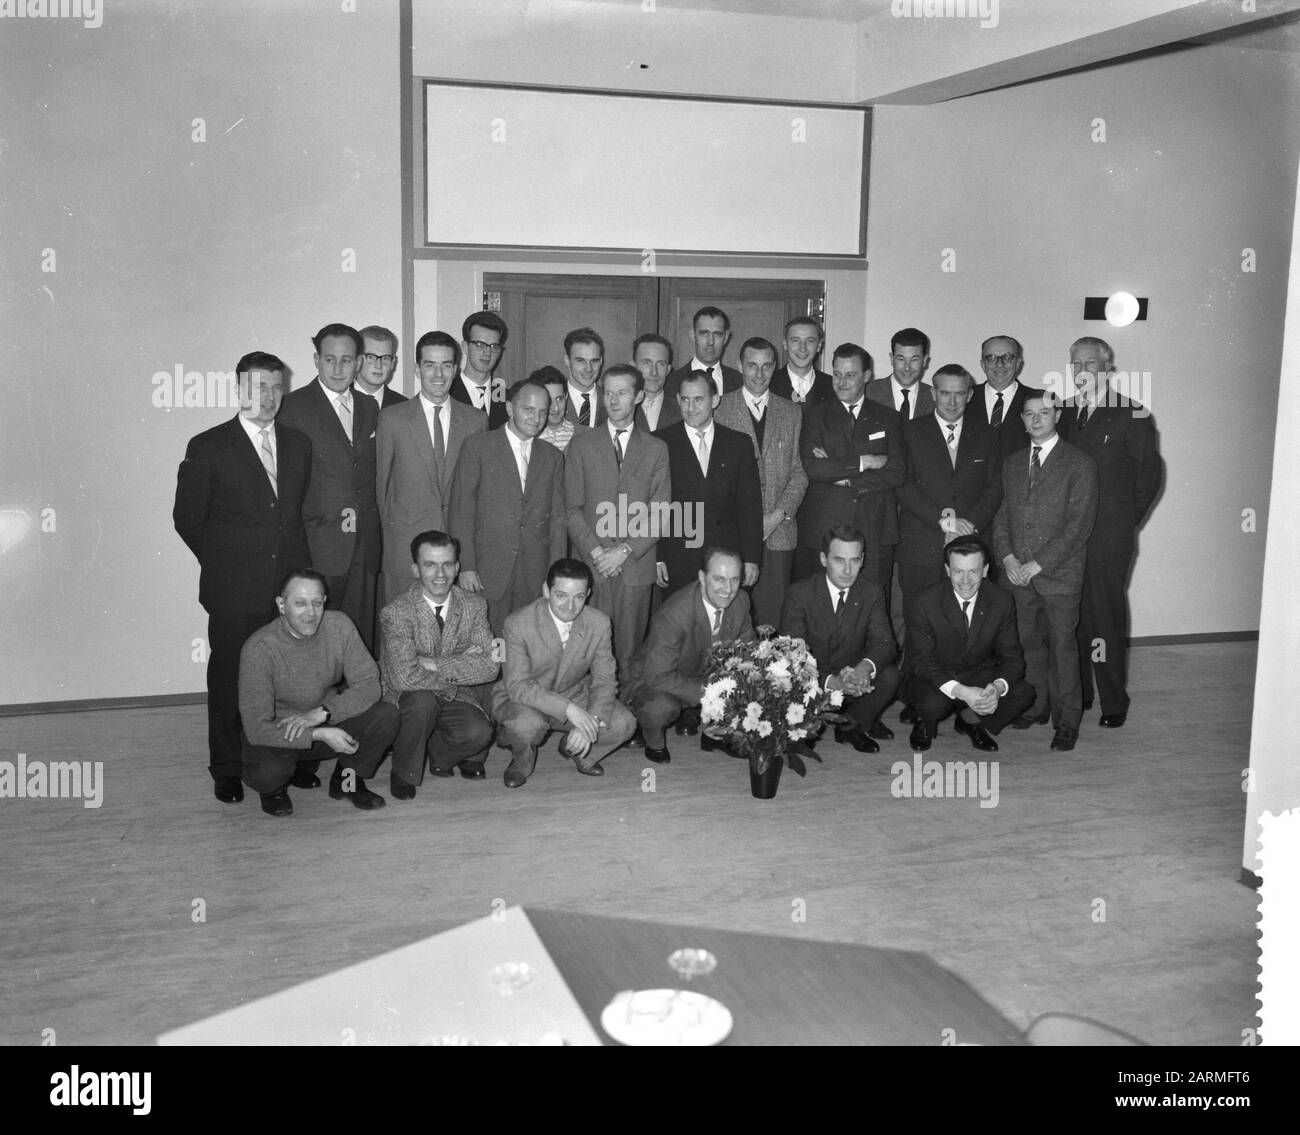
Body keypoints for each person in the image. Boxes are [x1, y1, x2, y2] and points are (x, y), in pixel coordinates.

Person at [173, 351, 312, 805]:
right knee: (232, 680)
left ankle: (278, 765)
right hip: (234, 590)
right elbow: (187, 520)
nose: (268, 397)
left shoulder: (298, 443)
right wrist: (228, 565)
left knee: (284, 683)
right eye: (258, 388)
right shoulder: (208, 445)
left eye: (276, 387)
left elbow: (291, 519)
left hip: (286, 592)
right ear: (239, 390)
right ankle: (228, 769)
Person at [1059, 336, 1162, 729]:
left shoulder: (1132, 413)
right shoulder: (1064, 412)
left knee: (1105, 615)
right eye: (1076, 364)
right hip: (1067, 535)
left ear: (1106, 368)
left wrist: (1122, 522)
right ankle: (1082, 692)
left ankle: (1114, 701)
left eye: (1090, 364)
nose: (1082, 371)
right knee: (1074, 612)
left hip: (1108, 535)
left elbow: (1149, 477)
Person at [239, 570, 399, 817]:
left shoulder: (339, 625)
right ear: (281, 605)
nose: (310, 613)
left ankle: (346, 780)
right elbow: (257, 726)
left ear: (325, 601)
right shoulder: (260, 649)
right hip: (283, 731)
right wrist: (318, 732)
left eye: (316, 602)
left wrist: (324, 713)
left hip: (326, 718)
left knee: (385, 715)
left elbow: (369, 684)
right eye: (300, 603)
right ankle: (273, 790)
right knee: (266, 773)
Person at [991, 392, 1098, 752]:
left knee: (1063, 648)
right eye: (1029, 413)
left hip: (1059, 575)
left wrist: (1038, 564)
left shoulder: (1080, 463)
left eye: (1044, 413)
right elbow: (1003, 513)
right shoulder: (1013, 462)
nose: (1036, 419)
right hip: (1017, 574)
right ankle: (1034, 705)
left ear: (1057, 416)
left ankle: (1066, 721)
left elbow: (1077, 526)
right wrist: (1007, 558)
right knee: (1026, 644)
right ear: (1021, 419)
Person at [896, 364, 1003, 720]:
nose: (953, 401)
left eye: (960, 393)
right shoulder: (911, 431)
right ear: (933, 393)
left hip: (971, 545)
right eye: (945, 393)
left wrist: (969, 524)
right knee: (919, 629)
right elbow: (904, 483)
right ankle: (917, 701)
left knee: (968, 630)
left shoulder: (987, 434)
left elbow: (994, 487)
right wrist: (941, 520)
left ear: (970, 395)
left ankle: (964, 707)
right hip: (922, 545)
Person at [277, 322, 382, 652]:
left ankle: (356, 703)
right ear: (316, 360)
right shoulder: (292, 408)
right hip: (319, 545)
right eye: (330, 359)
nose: (339, 368)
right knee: (316, 638)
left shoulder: (370, 407)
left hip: (364, 545)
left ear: (359, 362)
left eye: (347, 360)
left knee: (358, 636)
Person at [491, 559, 637, 788]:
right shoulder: (517, 623)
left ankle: (579, 752)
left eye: (578, 597)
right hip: (526, 698)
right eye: (561, 595)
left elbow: (605, 680)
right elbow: (518, 686)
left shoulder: (599, 623)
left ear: (588, 594)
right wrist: (570, 710)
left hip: (574, 692)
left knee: (624, 724)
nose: (570, 606)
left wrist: (592, 720)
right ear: (546, 591)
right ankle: (521, 762)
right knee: (525, 726)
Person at [565, 364, 671, 678]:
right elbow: (571, 509)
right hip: (592, 566)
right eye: (608, 392)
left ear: (639, 396)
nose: (613, 400)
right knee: (586, 654)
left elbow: (661, 511)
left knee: (628, 657)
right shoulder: (582, 444)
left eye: (622, 393)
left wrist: (623, 551)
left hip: (635, 567)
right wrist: (598, 554)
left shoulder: (656, 449)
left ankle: (623, 723)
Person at [379, 531, 498, 798]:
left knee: (480, 732)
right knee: (422, 702)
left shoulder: (475, 605)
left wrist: (433, 663)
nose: (440, 573)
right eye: (430, 564)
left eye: (447, 564)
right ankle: (403, 772)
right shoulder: (396, 612)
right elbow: (403, 679)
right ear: (415, 569)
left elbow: (491, 666)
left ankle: (437, 754)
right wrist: (462, 661)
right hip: (409, 698)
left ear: (457, 568)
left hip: (451, 693)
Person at [447, 378, 566, 634]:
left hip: (534, 570)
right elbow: (461, 511)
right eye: (529, 410)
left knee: (528, 638)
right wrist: (466, 566)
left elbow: (557, 520)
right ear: (510, 409)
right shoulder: (477, 446)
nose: (537, 418)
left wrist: (555, 575)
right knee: (490, 640)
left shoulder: (553, 456)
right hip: (488, 568)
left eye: (543, 412)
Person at [376, 331, 485, 605]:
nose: (438, 374)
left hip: (454, 554)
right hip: (405, 552)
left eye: (446, 365)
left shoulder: (475, 421)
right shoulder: (392, 419)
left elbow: (476, 495)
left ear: (456, 369)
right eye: (430, 365)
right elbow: (382, 489)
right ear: (416, 369)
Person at [623, 547, 756, 764]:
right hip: (656, 681)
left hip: (700, 674)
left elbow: (747, 654)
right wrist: (711, 693)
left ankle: (714, 735)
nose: (728, 589)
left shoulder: (741, 601)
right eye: (719, 579)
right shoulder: (675, 613)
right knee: (660, 708)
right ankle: (651, 738)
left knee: (752, 680)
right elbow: (657, 677)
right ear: (702, 578)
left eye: (735, 579)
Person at [904, 536, 1035, 752]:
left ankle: (970, 720)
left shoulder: (1001, 600)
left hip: (978, 674)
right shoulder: (923, 602)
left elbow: (1012, 657)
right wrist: (964, 692)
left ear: (985, 570)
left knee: (1024, 693)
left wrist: (997, 688)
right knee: (931, 704)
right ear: (947, 570)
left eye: (973, 571)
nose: (965, 580)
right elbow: (923, 662)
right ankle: (923, 721)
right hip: (935, 677)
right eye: (958, 571)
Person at [780, 526, 901, 753]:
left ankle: (850, 726)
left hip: (854, 680)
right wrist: (833, 682)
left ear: (863, 560)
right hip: (816, 683)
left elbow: (885, 643)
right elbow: (793, 657)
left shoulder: (872, 591)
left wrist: (864, 668)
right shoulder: (799, 593)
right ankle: (816, 721)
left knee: (890, 674)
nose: (847, 570)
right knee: (799, 741)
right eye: (839, 560)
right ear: (823, 559)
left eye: (854, 561)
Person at [714, 336, 807, 627]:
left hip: (778, 532)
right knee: (730, 616)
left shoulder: (791, 411)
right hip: (732, 532)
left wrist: (777, 516)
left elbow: (800, 471)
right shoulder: (719, 408)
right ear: (739, 365)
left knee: (773, 619)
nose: (759, 374)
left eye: (766, 366)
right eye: (752, 366)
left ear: (775, 367)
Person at [795, 343, 905, 585]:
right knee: (821, 608)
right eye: (836, 374)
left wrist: (845, 479)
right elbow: (813, 467)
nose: (841, 382)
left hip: (874, 526)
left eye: (850, 375)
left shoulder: (889, 418)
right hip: (826, 524)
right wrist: (866, 461)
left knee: (872, 606)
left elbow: (896, 472)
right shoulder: (814, 416)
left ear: (867, 376)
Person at [654, 371, 763, 597]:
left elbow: (750, 507)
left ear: (715, 400)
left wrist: (751, 558)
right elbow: (652, 505)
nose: (690, 407)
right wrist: (657, 557)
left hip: (726, 559)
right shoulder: (660, 442)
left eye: (698, 399)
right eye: (685, 400)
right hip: (678, 557)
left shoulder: (739, 444)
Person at [965, 335, 1035, 456]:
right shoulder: (964, 398)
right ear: (983, 364)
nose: (1000, 364)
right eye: (991, 358)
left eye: (1007, 357)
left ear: (1018, 363)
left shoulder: (1036, 400)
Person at [665, 306, 742, 399]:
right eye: (704, 333)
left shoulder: (740, 382)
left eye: (717, 334)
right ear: (693, 335)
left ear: (725, 338)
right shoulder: (672, 382)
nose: (710, 342)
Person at [453, 311, 509, 429]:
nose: (487, 352)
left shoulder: (508, 399)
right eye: (480, 344)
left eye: (494, 346)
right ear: (465, 347)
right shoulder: (448, 394)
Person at [866, 327, 935, 421]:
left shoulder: (935, 398)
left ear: (924, 360)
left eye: (914, 359)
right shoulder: (868, 392)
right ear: (891, 358)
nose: (907, 367)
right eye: (901, 359)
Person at [770, 316, 835, 409]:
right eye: (796, 340)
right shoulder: (769, 383)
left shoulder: (833, 386)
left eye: (810, 341)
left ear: (819, 345)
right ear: (785, 343)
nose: (802, 348)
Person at [632, 333, 682, 433]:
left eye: (661, 364)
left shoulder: (682, 410)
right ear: (633, 367)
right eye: (647, 363)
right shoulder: (620, 408)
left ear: (668, 370)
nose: (654, 372)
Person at [562, 327, 607, 429]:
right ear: (567, 360)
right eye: (580, 361)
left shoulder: (612, 402)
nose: (588, 368)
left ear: (601, 361)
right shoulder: (551, 402)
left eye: (594, 361)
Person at [355, 324, 407, 409]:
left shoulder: (404, 407)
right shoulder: (338, 401)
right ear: (357, 359)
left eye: (385, 358)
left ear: (392, 363)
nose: (379, 366)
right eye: (371, 357)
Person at [535, 365, 576, 453]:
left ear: (566, 397)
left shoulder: (585, 434)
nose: (555, 407)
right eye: (549, 400)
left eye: (559, 399)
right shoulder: (529, 438)